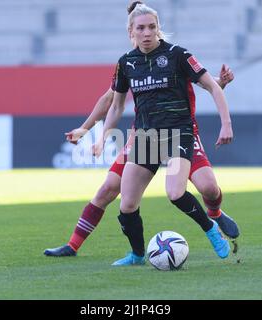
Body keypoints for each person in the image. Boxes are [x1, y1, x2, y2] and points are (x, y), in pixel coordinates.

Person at [45, 2, 239, 264]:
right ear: (130, 31)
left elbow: (209, 84)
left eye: (151, 27)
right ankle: (135, 254)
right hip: (145, 138)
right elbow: (113, 102)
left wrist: (225, 120)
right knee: (124, 203)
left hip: (178, 133)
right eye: (141, 28)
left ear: (158, 29)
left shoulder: (176, 55)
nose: (146, 33)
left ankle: (212, 223)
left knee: (195, 189)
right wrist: (98, 135)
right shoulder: (127, 63)